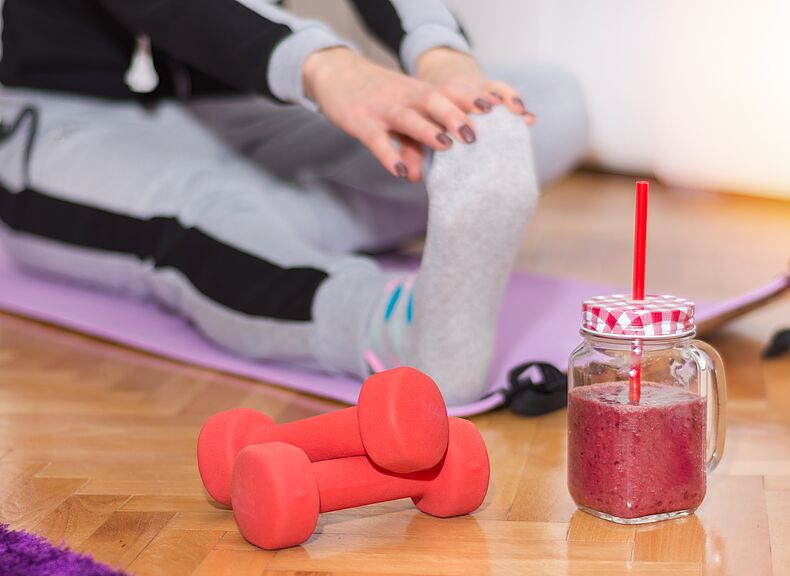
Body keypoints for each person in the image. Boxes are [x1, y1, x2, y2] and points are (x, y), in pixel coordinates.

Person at [0, 0, 587, 405]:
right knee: (194, 211)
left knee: (540, 103)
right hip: (70, 125)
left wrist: (443, 58)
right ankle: (398, 333)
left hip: (240, 113)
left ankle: (274, 228)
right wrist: (325, 67)